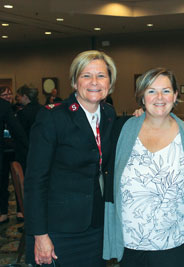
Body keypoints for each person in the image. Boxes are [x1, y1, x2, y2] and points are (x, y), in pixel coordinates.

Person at [24, 50, 117, 266]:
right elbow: (35, 181)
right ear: (75, 82)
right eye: (86, 75)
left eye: (101, 76)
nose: (94, 82)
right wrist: (40, 235)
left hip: (95, 225)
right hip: (58, 230)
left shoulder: (109, 114)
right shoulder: (53, 117)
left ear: (110, 83)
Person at [103, 68, 184, 267]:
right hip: (131, 244)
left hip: (176, 242)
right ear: (141, 97)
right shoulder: (122, 130)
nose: (159, 97)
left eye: (166, 91)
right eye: (151, 91)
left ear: (175, 96)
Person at [0, 86, 26, 223]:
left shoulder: (17, 109)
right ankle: (3, 211)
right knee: (3, 182)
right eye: (4, 94)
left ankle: (20, 210)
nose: (8, 96)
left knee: (18, 179)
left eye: (10, 94)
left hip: (15, 149)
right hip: (3, 150)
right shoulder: (4, 108)